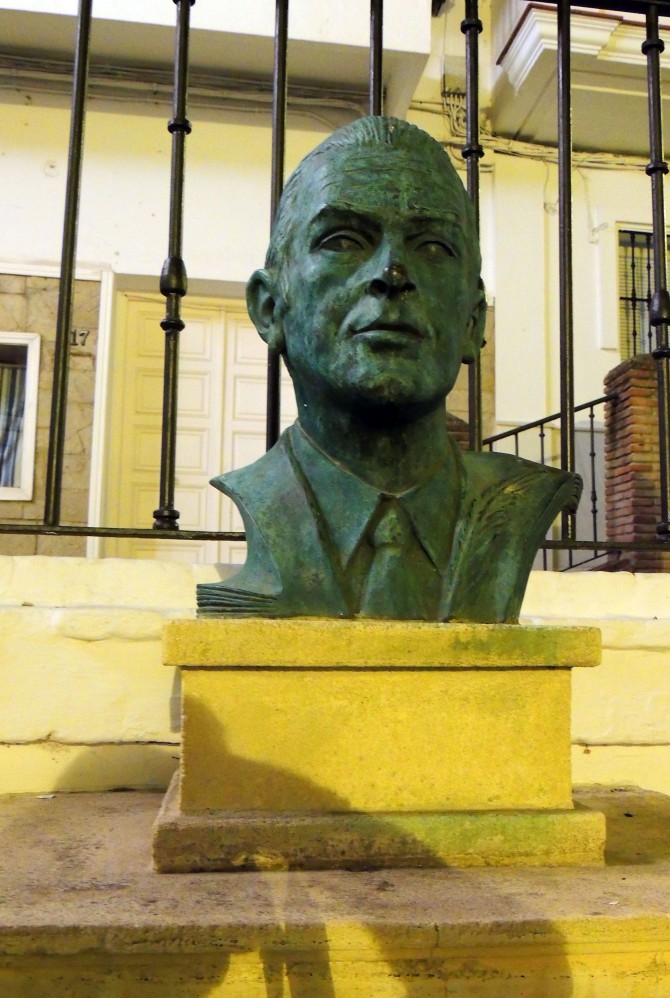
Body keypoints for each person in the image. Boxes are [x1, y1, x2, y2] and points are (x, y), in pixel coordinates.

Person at [198, 116, 580, 622]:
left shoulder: (514, 505)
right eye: (342, 240)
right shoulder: (267, 504)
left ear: (472, 322)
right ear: (270, 309)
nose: (392, 273)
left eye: (433, 247)